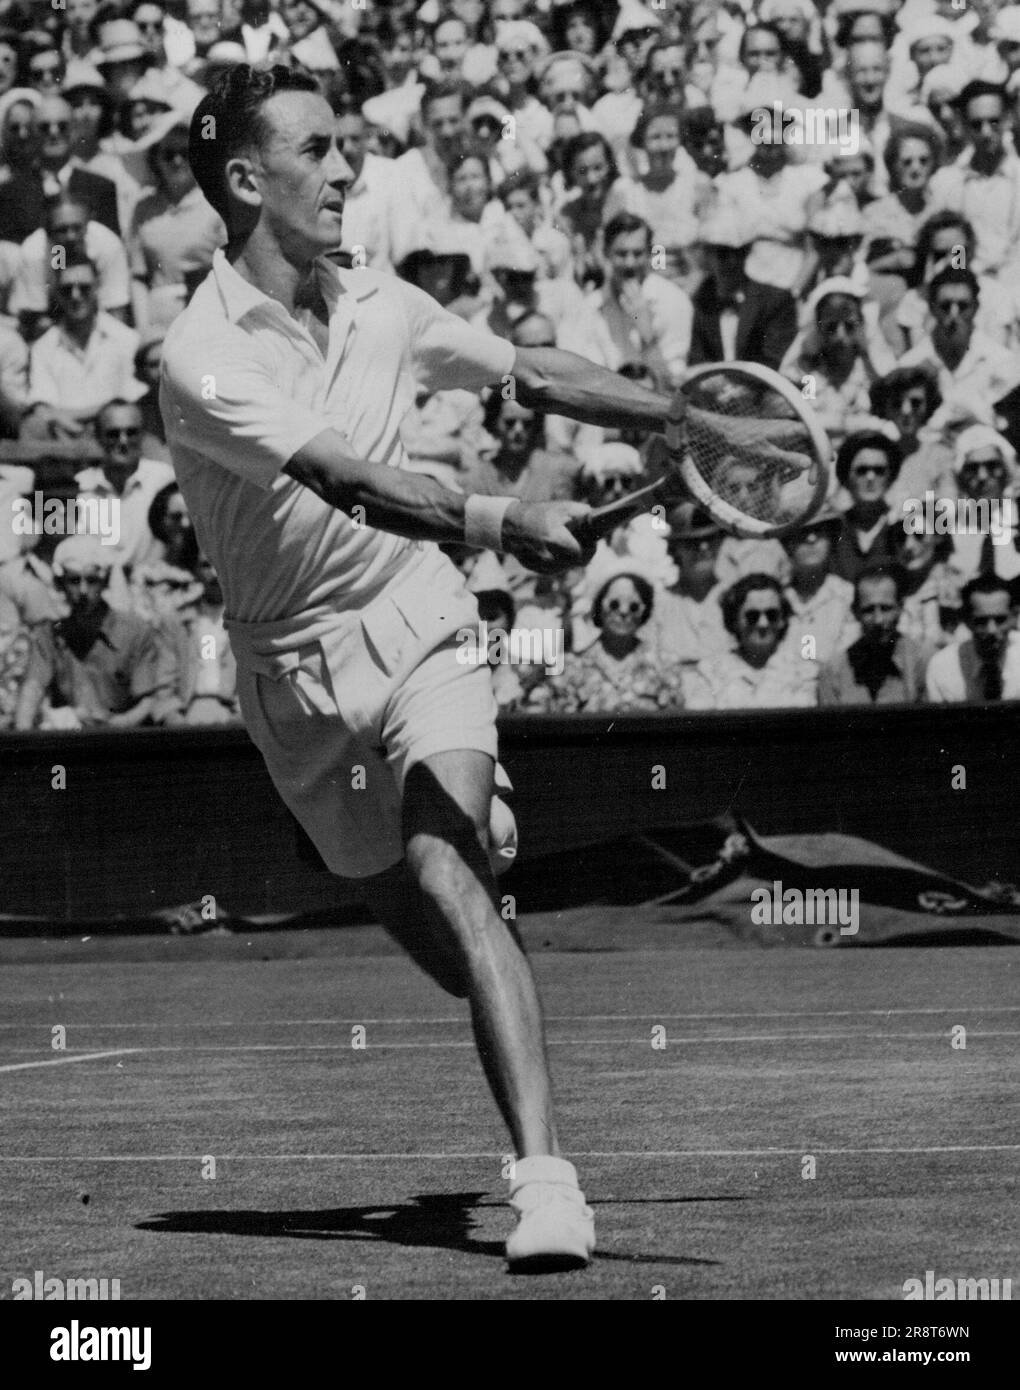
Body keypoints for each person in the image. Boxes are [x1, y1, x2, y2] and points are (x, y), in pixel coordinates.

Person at [163, 64, 676, 1268]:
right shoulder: (199, 355)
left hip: (421, 620)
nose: (348, 171)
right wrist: (510, 518)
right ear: (248, 181)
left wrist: (682, 423)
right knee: (439, 941)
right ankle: (457, 838)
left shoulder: (386, 302)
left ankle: (546, 1184)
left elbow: (532, 372)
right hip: (295, 686)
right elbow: (348, 479)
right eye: (322, 151)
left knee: (452, 867)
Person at [14, 533, 175, 730]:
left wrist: (115, 726)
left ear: (105, 582)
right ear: (60, 584)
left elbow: (148, 700)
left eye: (91, 581)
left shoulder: (135, 631)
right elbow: (32, 689)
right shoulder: (50, 633)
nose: (83, 590)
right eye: (74, 581)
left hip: (120, 739)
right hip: (68, 739)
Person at [536, 567, 685, 714]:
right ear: (599, 607)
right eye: (614, 604)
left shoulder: (664, 667)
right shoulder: (573, 668)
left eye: (634, 607)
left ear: (644, 612)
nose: (624, 612)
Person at [26, 252, 145, 432]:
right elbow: (43, 409)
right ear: (57, 293)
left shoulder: (126, 339)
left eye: (84, 288)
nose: (75, 295)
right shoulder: (43, 348)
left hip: (115, 437)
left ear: (97, 288)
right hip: (64, 439)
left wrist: (64, 416)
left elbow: (130, 402)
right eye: (67, 289)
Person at [684, 571, 815, 710]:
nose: (763, 623)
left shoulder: (803, 673)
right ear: (735, 620)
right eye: (752, 616)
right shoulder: (711, 673)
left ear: (782, 620)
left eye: (772, 615)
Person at [74, 398, 176, 571]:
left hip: (154, 586)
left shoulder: (164, 479)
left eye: (131, 432)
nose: (123, 441)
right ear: (98, 437)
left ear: (143, 435)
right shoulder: (83, 487)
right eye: (113, 434)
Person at [817, 563, 928, 705]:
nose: (878, 620)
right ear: (855, 612)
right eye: (869, 610)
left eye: (886, 608)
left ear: (900, 609)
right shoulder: (833, 671)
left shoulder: (920, 661)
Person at [926, 572, 1020, 701]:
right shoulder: (943, 666)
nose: (991, 630)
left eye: (1000, 620)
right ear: (967, 620)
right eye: (981, 621)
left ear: (1014, 617)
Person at [830, 430, 902, 584]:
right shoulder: (832, 530)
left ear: (891, 477)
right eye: (861, 471)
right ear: (846, 477)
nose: (870, 478)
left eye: (879, 470)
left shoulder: (902, 526)